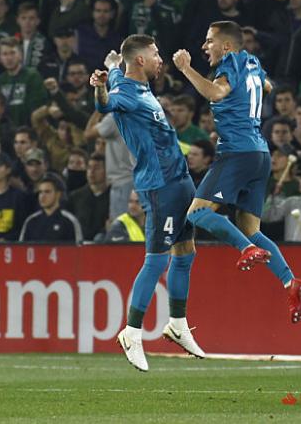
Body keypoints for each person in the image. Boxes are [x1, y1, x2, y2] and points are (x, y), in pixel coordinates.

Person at [172, 20, 301, 325]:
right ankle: (290, 282)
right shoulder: (253, 62)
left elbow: (217, 93)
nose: (204, 46)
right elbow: (267, 86)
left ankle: (246, 250)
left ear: (227, 46)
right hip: (260, 154)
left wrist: (186, 69)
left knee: (196, 214)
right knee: (251, 228)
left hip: (237, 152)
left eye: (210, 41)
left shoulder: (230, 64)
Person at [91, 34, 204, 372]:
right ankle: (132, 332)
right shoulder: (125, 92)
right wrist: (100, 87)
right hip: (160, 187)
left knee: (186, 253)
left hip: (181, 180)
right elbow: (104, 104)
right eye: (155, 54)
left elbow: (114, 69)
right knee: (156, 261)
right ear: (140, 60)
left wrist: (111, 65)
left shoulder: (135, 84)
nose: (160, 58)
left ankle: (178, 324)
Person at [19, 174, 83, 243]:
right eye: (40, 192)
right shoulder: (31, 221)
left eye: (47, 192)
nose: (42, 196)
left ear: (58, 194)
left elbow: (78, 249)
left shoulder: (69, 221)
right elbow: (22, 249)